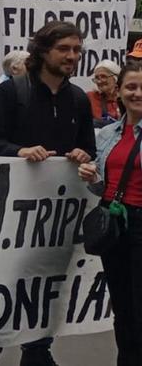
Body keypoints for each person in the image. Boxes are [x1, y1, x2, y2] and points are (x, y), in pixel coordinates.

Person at [0, 21, 95, 366]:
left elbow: (87, 147)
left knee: (48, 283)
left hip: (55, 216)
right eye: (64, 49)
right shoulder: (10, 92)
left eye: (76, 50)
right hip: (9, 215)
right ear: (42, 51)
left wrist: (82, 156)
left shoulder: (78, 100)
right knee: (1, 284)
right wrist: (19, 151)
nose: (72, 57)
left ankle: (37, 348)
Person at [77, 61, 142, 365]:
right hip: (115, 222)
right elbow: (102, 188)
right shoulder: (106, 135)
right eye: (132, 87)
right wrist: (92, 178)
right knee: (123, 307)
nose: (137, 93)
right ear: (120, 91)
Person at [89, 60, 122, 129]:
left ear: (115, 78)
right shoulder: (90, 97)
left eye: (103, 76)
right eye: (97, 78)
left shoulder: (125, 98)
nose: (99, 81)